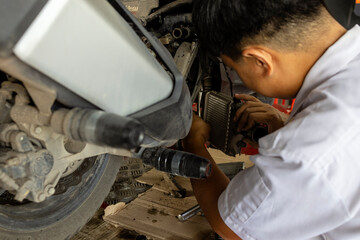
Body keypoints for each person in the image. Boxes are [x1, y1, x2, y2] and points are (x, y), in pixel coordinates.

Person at [183, 0, 360, 239]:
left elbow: (231, 226)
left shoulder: (313, 149)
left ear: (260, 61)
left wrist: (193, 143)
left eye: (232, 66)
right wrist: (287, 124)